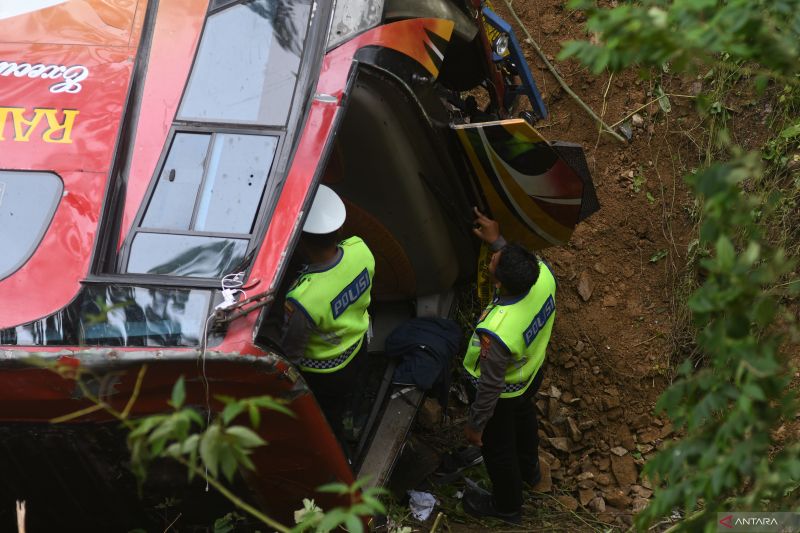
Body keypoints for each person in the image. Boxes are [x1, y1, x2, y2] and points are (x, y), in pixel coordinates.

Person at [461, 207, 556, 524]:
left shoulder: (499, 330)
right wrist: (498, 240)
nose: (492, 258)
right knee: (525, 420)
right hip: (530, 377)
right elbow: (519, 263)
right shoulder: (542, 276)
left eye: (494, 261)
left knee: (498, 449)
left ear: (499, 284)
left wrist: (476, 425)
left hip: (501, 395)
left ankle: (507, 506)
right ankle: (532, 471)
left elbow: (489, 386)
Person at [282, 185, 375, 458]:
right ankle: (354, 424)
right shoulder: (360, 249)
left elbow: (292, 352)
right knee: (354, 394)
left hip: (326, 373)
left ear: (301, 240)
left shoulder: (304, 298)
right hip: (359, 347)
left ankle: (341, 458)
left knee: (329, 417)